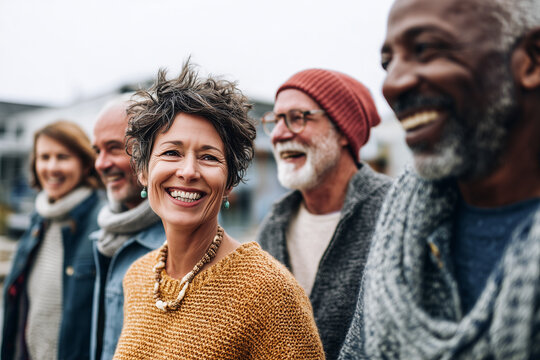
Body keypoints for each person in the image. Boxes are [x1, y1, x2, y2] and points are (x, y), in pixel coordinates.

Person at [339, 0, 540, 358]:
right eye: (388, 63)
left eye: (425, 50)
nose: (392, 83)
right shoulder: (397, 235)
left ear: (533, 60)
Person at [112, 62, 325, 359]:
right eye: (172, 152)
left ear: (229, 183)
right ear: (144, 172)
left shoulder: (269, 293)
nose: (188, 171)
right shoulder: (137, 278)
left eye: (209, 157)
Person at [257, 68, 391, 359]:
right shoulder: (272, 225)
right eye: (276, 120)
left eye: (297, 117)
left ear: (343, 130)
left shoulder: (395, 211)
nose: (278, 134)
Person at [1, 121, 103, 360]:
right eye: (44, 157)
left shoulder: (102, 222)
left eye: (63, 157)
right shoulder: (38, 220)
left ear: (86, 163)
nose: (52, 167)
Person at [90, 97, 165, 360]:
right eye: (97, 151)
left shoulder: (179, 245)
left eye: (113, 148)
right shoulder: (102, 237)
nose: (101, 163)